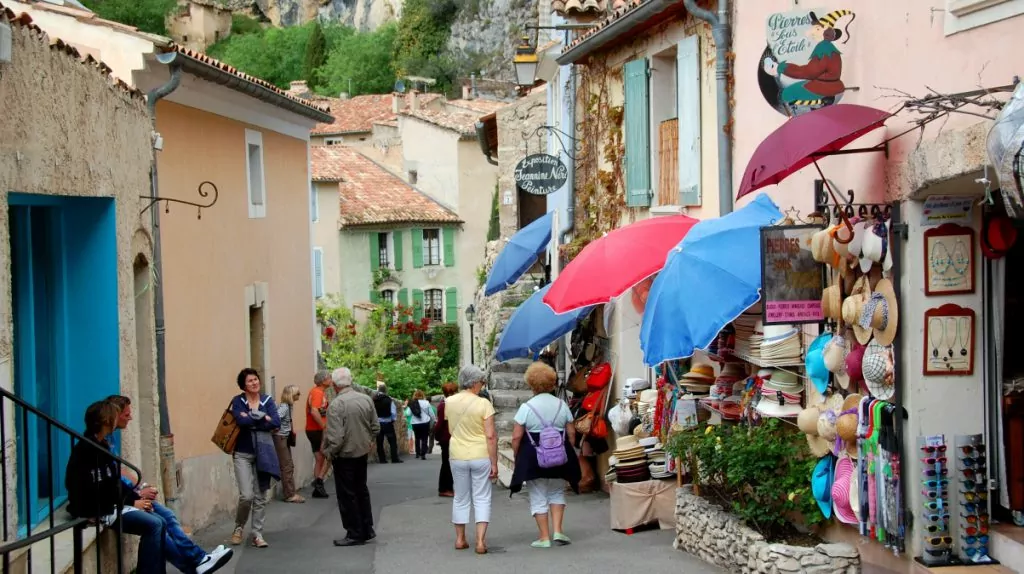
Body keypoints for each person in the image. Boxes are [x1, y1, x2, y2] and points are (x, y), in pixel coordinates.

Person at [104, 396, 234, 573]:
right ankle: (198, 562)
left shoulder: (109, 440)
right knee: (159, 522)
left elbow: (119, 471)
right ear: (115, 415)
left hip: (126, 499)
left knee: (165, 518)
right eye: (127, 414)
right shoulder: (94, 446)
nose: (130, 417)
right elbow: (107, 485)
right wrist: (135, 498)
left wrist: (141, 487)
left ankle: (199, 562)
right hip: (116, 505)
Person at [65, 401, 164, 574]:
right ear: (106, 421)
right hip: (100, 510)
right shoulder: (85, 451)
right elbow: (91, 488)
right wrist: (132, 503)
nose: (117, 419)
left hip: (111, 506)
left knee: (160, 521)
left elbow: (113, 482)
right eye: (114, 416)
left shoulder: (102, 446)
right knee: (154, 524)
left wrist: (135, 499)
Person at [510, 362, 581, 549]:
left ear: (531, 384)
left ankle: (544, 537)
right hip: (559, 455)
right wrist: (566, 449)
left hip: (534, 457)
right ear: (552, 383)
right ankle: (558, 530)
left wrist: (516, 455)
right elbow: (571, 433)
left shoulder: (527, 407)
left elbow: (517, 436)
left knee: (538, 494)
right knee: (557, 490)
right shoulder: (562, 405)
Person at [321, 368, 380, 547]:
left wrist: (329, 453)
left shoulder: (336, 405)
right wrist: (369, 442)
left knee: (347, 494)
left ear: (334, 384)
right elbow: (375, 427)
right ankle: (367, 528)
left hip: (345, 454)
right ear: (350, 380)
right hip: (361, 452)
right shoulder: (366, 399)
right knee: (361, 490)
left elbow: (336, 437)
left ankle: (354, 532)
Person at [445, 365, 498, 554]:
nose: (482, 386)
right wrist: (494, 462)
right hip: (480, 453)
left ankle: (460, 539)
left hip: (457, 454)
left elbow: (450, 428)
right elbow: (490, 435)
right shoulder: (483, 404)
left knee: (460, 497)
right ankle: (481, 542)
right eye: (482, 383)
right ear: (475, 383)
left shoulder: (449, 402)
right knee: (482, 497)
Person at [229, 368, 281, 548]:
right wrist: (262, 418)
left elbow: (276, 422)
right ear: (243, 385)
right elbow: (240, 421)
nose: (254, 383)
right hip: (242, 453)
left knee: (260, 496)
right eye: (250, 381)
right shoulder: (238, 401)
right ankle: (238, 527)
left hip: (263, 453)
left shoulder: (267, 400)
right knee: (246, 495)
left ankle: (257, 534)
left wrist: (251, 416)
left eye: (256, 379)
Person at [275, 385, 305, 503]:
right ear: (291, 395)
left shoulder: (288, 406)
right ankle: (289, 494)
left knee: (289, 465)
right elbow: (276, 418)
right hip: (281, 437)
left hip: (284, 436)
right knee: (287, 466)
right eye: (297, 393)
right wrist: (277, 429)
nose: (299, 395)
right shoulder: (284, 407)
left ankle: (291, 492)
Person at [306, 370, 332, 498]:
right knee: (327, 455)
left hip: (314, 429)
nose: (331, 379)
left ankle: (318, 486)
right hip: (316, 429)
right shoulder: (317, 392)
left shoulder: (319, 392)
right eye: (329, 377)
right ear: (323, 381)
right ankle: (319, 482)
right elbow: (314, 411)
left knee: (320, 459)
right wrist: (324, 427)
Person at [434, 382, 458, 497]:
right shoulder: (445, 405)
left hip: (447, 437)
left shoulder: (445, 404)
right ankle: (444, 488)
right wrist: (437, 436)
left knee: (448, 463)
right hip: (447, 437)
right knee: (447, 464)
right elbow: (439, 424)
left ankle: (447, 487)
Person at [373, 384, 402, 463]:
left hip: (378, 423)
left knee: (379, 442)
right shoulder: (389, 400)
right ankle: (394, 458)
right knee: (392, 441)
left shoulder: (374, 400)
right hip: (387, 423)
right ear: (385, 390)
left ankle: (382, 459)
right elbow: (393, 412)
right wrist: (392, 420)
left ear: (378, 390)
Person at [408, 390, 435, 460]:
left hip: (415, 423)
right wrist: (433, 422)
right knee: (424, 438)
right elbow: (431, 414)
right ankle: (423, 454)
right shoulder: (426, 403)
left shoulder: (412, 403)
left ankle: (417, 453)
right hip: (425, 422)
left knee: (417, 438)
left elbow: (408, 413)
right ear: (422, 395)